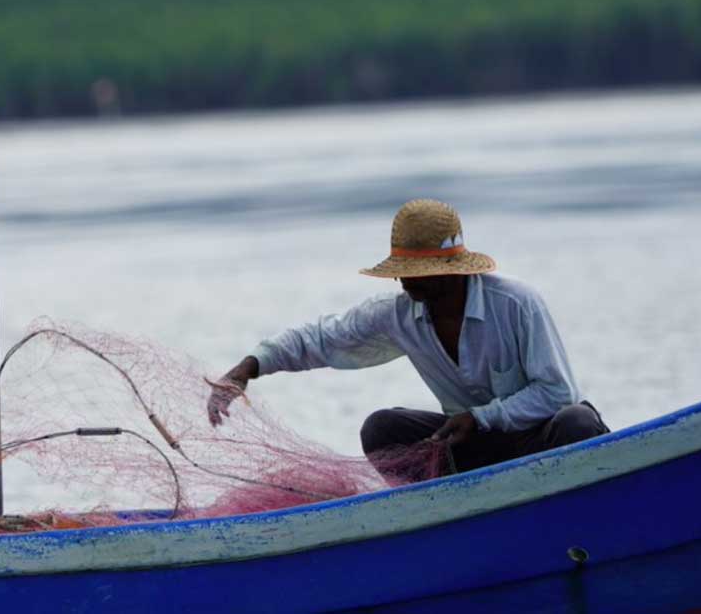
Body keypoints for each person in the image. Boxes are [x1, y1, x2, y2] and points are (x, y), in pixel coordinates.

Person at [207, 199, 609, 472]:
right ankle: (446, 515)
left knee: (577, 423)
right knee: (382, 430)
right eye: (402, 271)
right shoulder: (398, 314)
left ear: (453, 271)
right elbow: (320, 338)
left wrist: (483, 417)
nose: (404, 281)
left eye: (418, 273)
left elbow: (557, 393)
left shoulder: (517, 304)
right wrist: (248, 368)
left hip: (535, 441)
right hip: (471, 448)